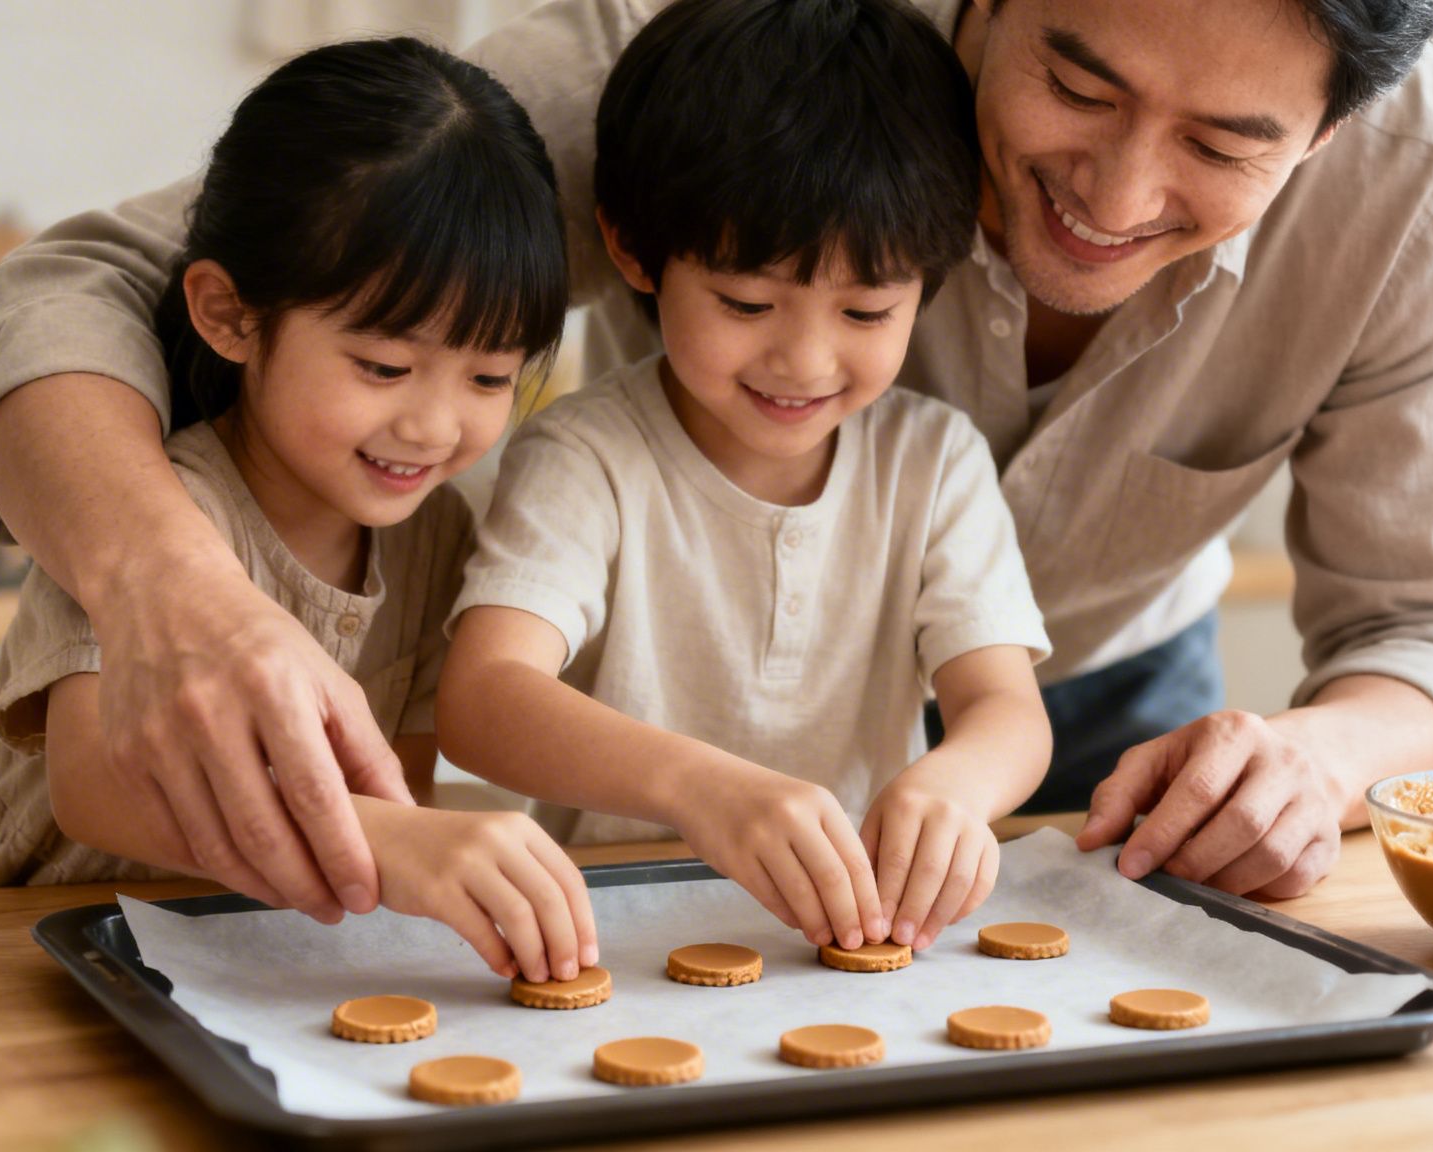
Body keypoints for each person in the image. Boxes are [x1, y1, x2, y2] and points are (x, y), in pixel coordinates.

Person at [0, 0, 1433, 911]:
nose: (1112, 192)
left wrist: (1319, 761)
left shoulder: (1419, 189)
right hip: (649, 736)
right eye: (1074, 76)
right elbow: (74, 296)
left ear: (1328, 135)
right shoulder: (724, 50)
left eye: (1220, 146)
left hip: (1113, 724)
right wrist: (177, 591)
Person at [0, 37, 597, 985]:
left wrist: (426, 860)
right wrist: (400, 844)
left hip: (244, 963)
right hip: (28, 959)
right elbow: (95, 785)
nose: (434, 425)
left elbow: (397, 787)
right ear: (230, 315)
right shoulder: (158, 504)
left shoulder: (439, 539)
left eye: (490, 377)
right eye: (385, 367)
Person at [436, 0, 1052, 954]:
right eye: (746, 301)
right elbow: (480, 700)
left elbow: (1007, 710)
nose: (805, 361)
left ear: (930, 285)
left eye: (866, 311)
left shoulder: (936, 463)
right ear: (634, 251)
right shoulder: (588, 455)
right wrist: (700, 787)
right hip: (602, 935)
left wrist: (954, 787)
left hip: (846, 946)